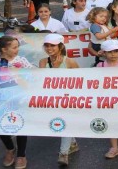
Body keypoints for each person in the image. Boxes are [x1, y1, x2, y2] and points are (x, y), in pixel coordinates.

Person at [0, 36, 32, 168]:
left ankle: (21, 155)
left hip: (18, 98)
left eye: (17, 47)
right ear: (4, 49)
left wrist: (19, 73)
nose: (17, 50)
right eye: (14, 47)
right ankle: (10, 148)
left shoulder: (21, 60)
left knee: (20, 125)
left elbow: (33, 76)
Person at [38, 34, 80, 166]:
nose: (49, 48)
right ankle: (72, 143)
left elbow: (81, 80)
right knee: (61, 123)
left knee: (64, 122)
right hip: (51, 101)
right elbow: (41, 82)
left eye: (53, 45)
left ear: (60, 46)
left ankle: (64, 153)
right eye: (47, 45)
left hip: (68, 100)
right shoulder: (43, 62)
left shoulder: (70, 62)